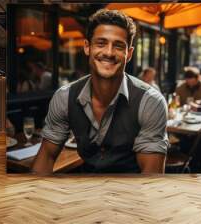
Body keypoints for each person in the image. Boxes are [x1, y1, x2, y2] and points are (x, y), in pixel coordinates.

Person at [32, 9, 169, 174]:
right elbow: (46, 155)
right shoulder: (64, 97)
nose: (109, 53)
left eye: (118, 46)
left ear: (129, 54)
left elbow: (151, 178)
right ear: (87, 47)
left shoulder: (151, 101)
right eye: (101, 43)